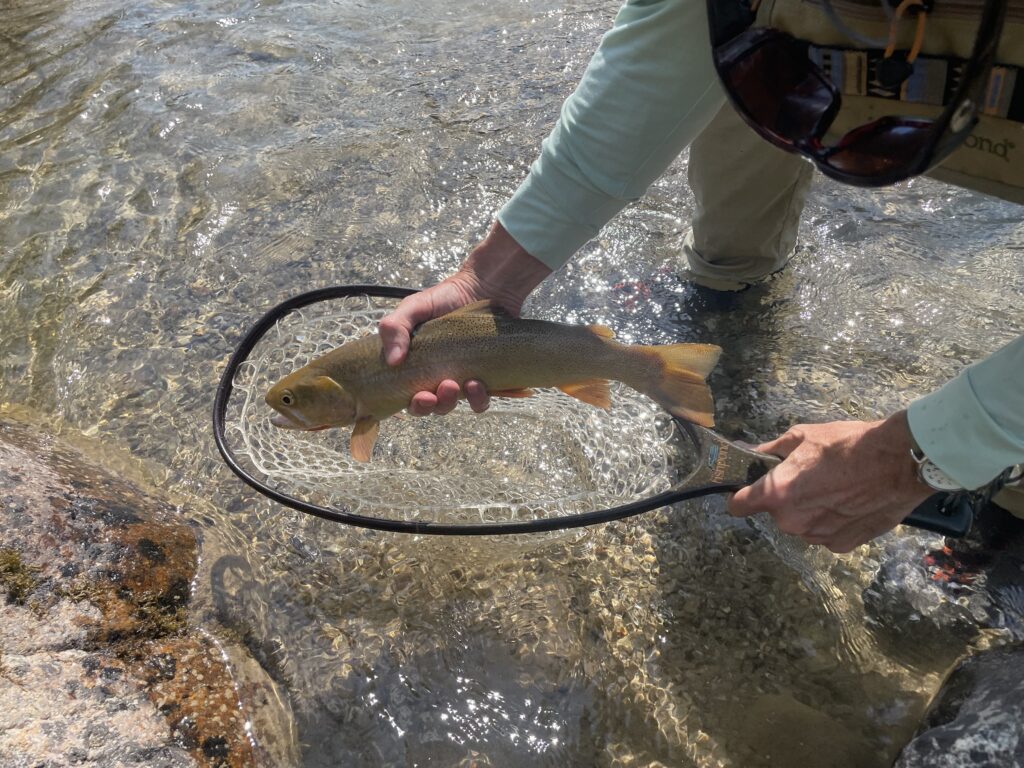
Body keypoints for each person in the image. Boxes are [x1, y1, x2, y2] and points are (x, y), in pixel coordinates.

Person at [376, 0, 1024, 553]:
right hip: (819, 67)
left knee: (981, 450)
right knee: (737, 60)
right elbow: (663, 48)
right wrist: (492, 279)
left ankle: (1008, 493)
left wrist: (919, 449)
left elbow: (925, 446)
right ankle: (728, 292)